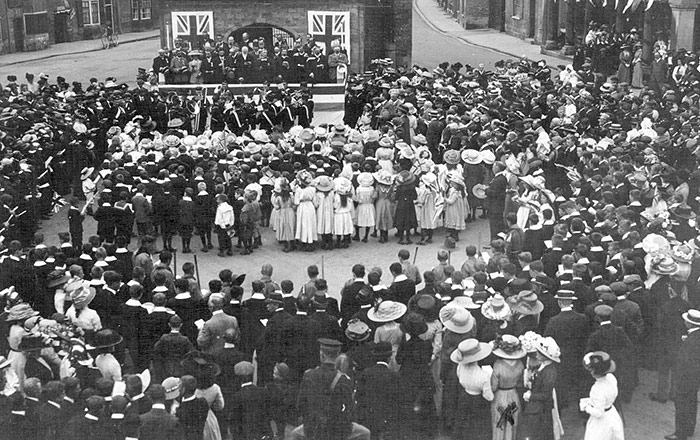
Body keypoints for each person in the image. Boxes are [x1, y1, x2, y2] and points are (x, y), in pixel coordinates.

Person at [291, 338, 370, 440]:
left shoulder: (309, 375)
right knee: (365, 433)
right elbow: (349, 408)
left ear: (321, 354)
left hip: (313, 427)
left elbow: (301, 405)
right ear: (337, 355)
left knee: (294, 434)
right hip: (338, 429)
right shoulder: (344, 379)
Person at [666, 309, 700, 440]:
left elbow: (685, 361)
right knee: (691, 403)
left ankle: (680, 433)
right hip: (694, 378)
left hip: (685, 377)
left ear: (690, 324)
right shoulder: (695, 336)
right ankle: (689, 428)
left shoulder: (691, 341)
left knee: (681, 405)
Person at [451, 338, 494, 440]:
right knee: (476, 429)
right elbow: (488, 397)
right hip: (478, 402)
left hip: (464, 398)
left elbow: (459, 379)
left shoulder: (460, 367)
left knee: (462, 425)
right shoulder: (484, 375)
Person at [579, 351, 624, 440]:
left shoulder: (597, 388)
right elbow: (605, 398)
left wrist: (585, 407)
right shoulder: (611, 378)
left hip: (602, 422)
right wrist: (590, 400)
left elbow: (598, 413)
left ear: (593, 372)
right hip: (612, 414)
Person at [490, 335, 526, 440]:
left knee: (499, 424)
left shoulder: (498, 365)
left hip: (500, 397)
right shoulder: (520, 364)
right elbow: (520, 383)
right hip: (514, 396)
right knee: (512, 424)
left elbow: (493, 386)